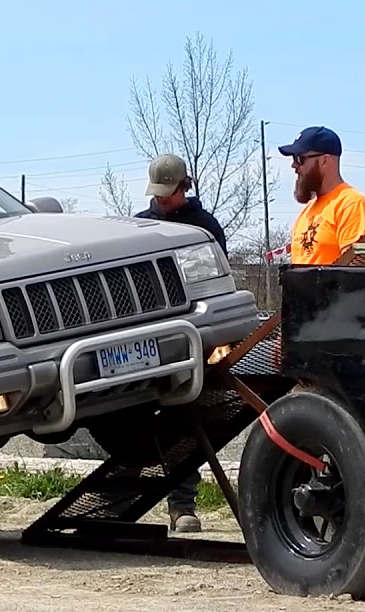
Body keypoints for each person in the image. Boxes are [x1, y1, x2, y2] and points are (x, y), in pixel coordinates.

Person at [134, 153, 229, 534]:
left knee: (187, 418)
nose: (160, 201)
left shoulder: (205, 229)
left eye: (167, 194)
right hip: (145, 339)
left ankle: (182, 505)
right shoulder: (137, 227)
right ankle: (134, 486)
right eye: (156, 195)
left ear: (182, 187)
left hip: (189, 339)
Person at [278, 126, 365, 265]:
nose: (294, 165)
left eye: (300, 159)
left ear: (325, 161)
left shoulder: (352, 205)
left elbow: (356, 274)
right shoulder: (306, 212)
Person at [135, 153, 227, 255]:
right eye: (157, 193)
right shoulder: (139, 225)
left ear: (183, 187)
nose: (161, 198)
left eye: (167, 193)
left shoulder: (206, 226)